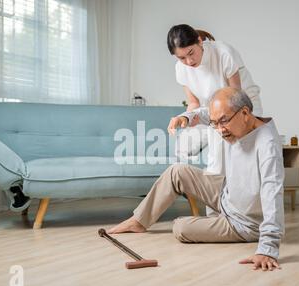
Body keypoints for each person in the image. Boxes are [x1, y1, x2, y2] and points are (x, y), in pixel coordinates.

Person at [108, 87, 285, 271]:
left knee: (180, 228)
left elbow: (272, 195)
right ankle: (139, 221)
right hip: (227, 192)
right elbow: (208, 115)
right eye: (215, 123)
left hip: (244, 222)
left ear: (245, 113)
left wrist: (268, 248)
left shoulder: (268, 146)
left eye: (223, 122)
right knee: (177, 171)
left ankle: (228, 225)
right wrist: (187, 117)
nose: (220, 130)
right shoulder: (234, 119)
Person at [167, 24, 262, 215]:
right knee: (216, 159)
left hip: (243, 105)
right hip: (214, 110)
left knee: (242, 156)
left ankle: (248, 213)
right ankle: (216, 214)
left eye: (191, 53)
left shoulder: (224, 53)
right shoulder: (181, 69)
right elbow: (193, 103)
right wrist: (185, 117)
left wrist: (224, 126)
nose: (188, 61)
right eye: (181, 57)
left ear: (200, 42)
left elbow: (237, 97)